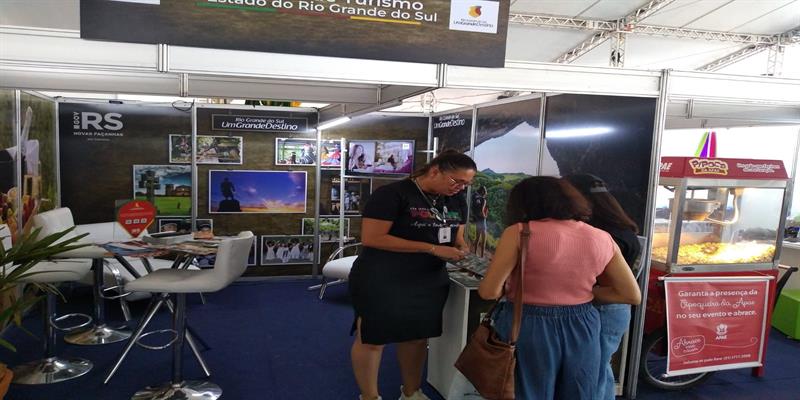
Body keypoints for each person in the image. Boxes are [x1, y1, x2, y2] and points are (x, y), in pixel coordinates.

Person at [477, 177, 641, 399]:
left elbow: (488, 291)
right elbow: (630, 294)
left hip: (527, 321)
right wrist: (585, 293)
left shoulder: (519, 232)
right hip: (583, 323)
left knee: (529, 390)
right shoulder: (601, 237)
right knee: (580, 390)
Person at [349, 150, 476, 400]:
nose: (460, 188)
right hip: (382, 276)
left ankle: (411, 392)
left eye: (466, 184)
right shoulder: (392, 194)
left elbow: (456, 234)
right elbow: (373, 238)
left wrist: (460, 246)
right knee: (373, 338)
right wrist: (430, 248)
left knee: (417, 338)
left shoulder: (456, 199)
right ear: (434, 170)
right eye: (456, 181)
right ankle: (370, 396)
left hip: (428, 279)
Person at [564, 174, 641, 400]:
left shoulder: (601, 235)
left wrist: (569, 289)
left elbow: (607, 283)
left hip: (603, 308)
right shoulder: (623, 228)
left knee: (594, 371)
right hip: (612, 309)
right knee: (598, 368)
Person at [470, 185, 489, 258]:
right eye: (485, 192)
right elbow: (482, 211)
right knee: (484, 238)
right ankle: (482, 255)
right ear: (483, 192)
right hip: (482, 219)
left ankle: (474, 253)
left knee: (477, 237)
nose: (486, 193)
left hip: (476, 219)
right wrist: (485, 216)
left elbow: (474, 208)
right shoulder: (483, 200)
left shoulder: (474, 197)